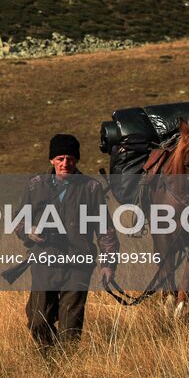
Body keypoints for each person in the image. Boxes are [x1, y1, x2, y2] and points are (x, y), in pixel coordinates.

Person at [14, 132, 118, 348]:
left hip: (79, 263)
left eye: (70, 158)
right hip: (45, 260)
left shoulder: (91, 188)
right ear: (51, 160)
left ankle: (67, 362)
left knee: (71, 327)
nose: (65, 163)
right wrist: (29, 232)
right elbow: (18, 220)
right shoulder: (35, 185)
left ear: (76, 160)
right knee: (37, 320)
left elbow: (105, 229)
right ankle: (49, 355)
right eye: (60, 158)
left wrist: (108, 264)